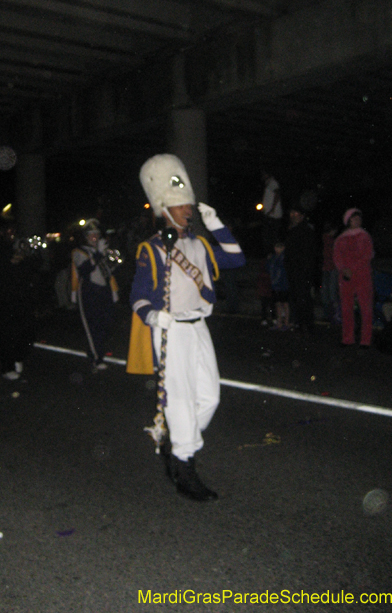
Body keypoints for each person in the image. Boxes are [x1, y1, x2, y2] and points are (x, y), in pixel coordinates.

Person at [127, 154, 245, 501]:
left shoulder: (201, 244)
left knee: (210, 396)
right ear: (164, 209)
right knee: (179, 400)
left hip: (198, 325)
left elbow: (236, 258)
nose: (187, 210)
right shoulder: (152, 249)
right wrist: (153, 317)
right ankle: (184, 465)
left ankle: (175, 442)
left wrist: (218, 223)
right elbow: (137, 297)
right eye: (179, 206)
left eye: (188, 205)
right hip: (171, 328)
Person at [0, 226, 39, 380]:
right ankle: (7, 367)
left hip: (22, 298)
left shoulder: (21, 247)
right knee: (7, 334)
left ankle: (18, 357)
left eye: (13, 231)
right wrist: (11, 261)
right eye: (7, 231)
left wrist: (32, 252)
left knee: (28, 332)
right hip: (4, 299)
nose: (11, 234)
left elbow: (35, 267)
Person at [71, 219, 119, 371]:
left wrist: (113, 261)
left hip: (103, 291)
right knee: (92, 327)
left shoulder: (100, 250)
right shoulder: (80, 251)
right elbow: (85, 270)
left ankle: (100, 354)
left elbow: (107, 271)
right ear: (86, 236)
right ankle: (96, 358)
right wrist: (98, 254)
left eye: (97, 234)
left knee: (105, 324)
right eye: (92, 235)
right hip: (89, 291)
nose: (95, 237)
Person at [333, 208, 375, 347]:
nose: (357, 221)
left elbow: (367, 256)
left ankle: (365, 340)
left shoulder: (365, 236)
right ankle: (347, 338)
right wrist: (343, 269)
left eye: (358, 218)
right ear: (348, 221)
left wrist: (352, 269)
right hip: (345, 277)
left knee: (365, 308)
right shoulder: (341, 238)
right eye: (354, 218)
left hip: (362, 276)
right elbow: (337, 256)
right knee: (346, 308)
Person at [284, 202, 317, 336]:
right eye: (292, 213)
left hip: (303, 270)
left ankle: (307, 325)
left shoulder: (305, 230)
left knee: (304, 298)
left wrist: (306, 269)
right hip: (293, 270)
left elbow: (308, 252)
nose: (293, 216)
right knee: (297, 298)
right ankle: (300, 323)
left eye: (296, 214)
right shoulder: (291, 229)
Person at [267, 242, 290, 330]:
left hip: (283, 284)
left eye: (279, 247)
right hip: (275, 284)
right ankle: (279, 323)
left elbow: (283, 269)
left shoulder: (284, 257)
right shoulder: (274, 257)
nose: (277, 249)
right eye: (276, 247)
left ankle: (286, 323)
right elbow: (268, 269)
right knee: (278, 304)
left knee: (285, 303)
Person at [260, 168, 283, 257]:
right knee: (267, 236)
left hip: (274, 215)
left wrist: (273, 209)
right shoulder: (268, 183)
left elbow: (277, 194)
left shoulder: (273, 182)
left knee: (271, 237)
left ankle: (273, 255)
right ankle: (269, 255)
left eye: (264, 174)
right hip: (269, 214)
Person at [321, 221, 339, 324]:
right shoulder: (331, 240)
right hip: (331, 268)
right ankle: (332, 315)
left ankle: (328, 314)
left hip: (326, 268)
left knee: (326, 292)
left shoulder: (324, 240)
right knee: (331, 293)